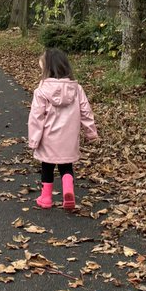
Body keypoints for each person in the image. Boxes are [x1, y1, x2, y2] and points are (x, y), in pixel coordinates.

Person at [27, 47, 98, 211]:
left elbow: (36, 117)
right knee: (66, 166)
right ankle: (68, 191)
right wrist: (91, 132)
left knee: (47, 166)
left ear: (47, 68)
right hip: (69, 138)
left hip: (48, 138)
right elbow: (86, 112)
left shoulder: (41, 91)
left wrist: (34, 140)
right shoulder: (77, 89)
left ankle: (45, 198)